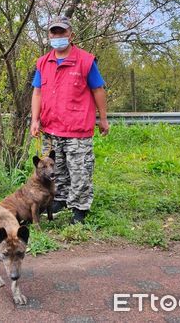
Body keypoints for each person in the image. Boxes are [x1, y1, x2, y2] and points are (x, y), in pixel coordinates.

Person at [30, 16, 109, 224]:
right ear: (49, 35)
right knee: (57, 169)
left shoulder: (85, 61)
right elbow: (37, 92)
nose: (58, 37)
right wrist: (35, 120)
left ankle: (80, 208)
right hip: (51, 128)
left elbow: (98, 90)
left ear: (70, 35)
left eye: (62, 33)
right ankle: (61, 199)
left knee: (80, 170)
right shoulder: (43, 62)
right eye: (53, 33)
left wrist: (103, 119)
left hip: (77, 128)